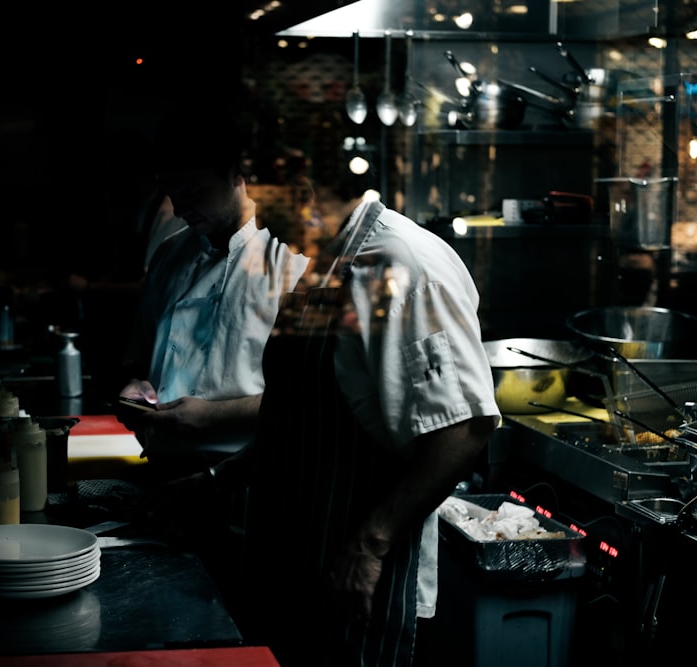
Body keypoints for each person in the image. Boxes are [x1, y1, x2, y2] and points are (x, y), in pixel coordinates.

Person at [147, 163, 502, 667]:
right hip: (291, 559)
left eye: (268, 207)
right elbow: (302, 418)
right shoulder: (321, 264)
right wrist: (216, 480)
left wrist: (371, 545)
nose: (262, 226)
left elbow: (463, 428)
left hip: (352, 571)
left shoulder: (404, 264)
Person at [114, 105, 309, 508]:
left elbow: (313, 398)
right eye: (173, 194)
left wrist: (212, 416)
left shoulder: (292, 262)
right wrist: (136, 390)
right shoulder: (170, 255)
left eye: (195, 193)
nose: (182, 209)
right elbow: (138, 358)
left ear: (239, 175)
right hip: (164, 478)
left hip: (251, 484)